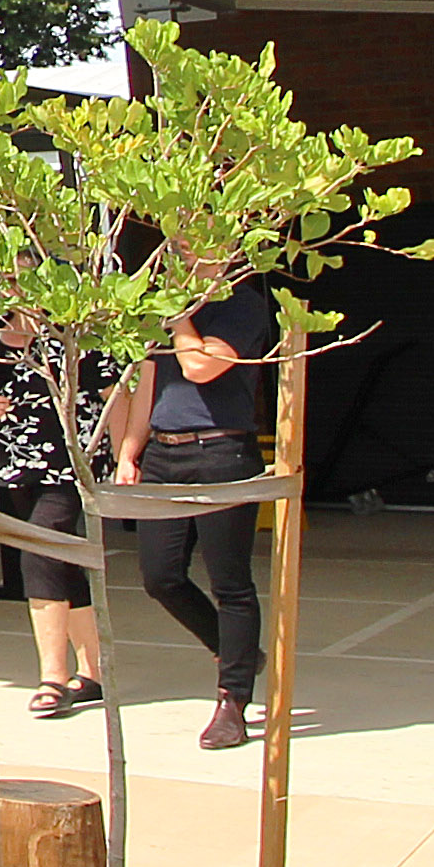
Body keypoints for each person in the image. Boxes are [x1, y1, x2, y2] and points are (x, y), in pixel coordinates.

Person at [106, 280, 282, 750]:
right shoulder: (167, 302)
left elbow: (200, 366)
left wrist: (180, 316)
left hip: (221, 450)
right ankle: (234, 650)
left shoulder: (242, 303)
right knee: (159, 576)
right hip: (166, 454)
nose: (185, 250)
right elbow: (151, 381)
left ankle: (233, 698)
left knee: (230, 581)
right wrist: (130, 450)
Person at [0, 305, 113, 720]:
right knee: (60, 562)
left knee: (40, 553)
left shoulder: (73, 337)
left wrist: (126, 454)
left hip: (68, 466)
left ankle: (53, 677)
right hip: (12, 464)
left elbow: (115, 393)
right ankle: (95, 672)